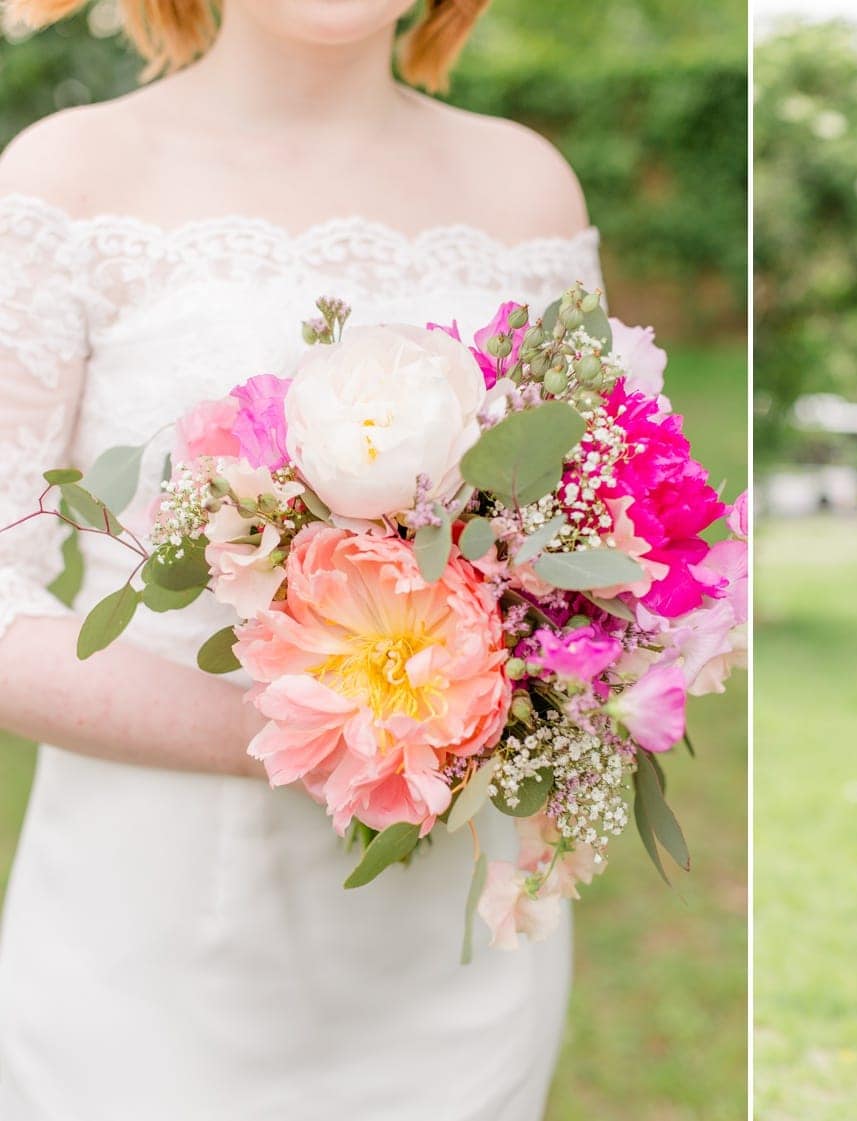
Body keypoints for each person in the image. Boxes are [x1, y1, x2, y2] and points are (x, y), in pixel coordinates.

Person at [0, 2, 600, 1116]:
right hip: (149, 950)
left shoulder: (528, 189)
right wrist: (340, 734)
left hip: (449, 964)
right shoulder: (67, 178)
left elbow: (590, 549)